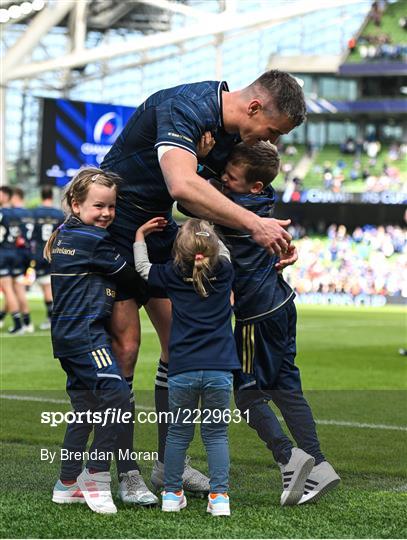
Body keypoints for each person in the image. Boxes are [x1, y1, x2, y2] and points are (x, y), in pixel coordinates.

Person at [101, 70, 306, 492]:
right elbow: (182, 185)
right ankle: (122, 472)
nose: (272, 140)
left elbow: (221, 191)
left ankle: (165, 466)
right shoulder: (185, 106)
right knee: (126, 349)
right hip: (119, 226)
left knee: (181, 347)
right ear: (253, 107)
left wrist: (273, 239)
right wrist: (256, 226)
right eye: (272, 130)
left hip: (159, 229)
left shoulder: (230, 136)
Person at [213, 141, 340, 506]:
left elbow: (187, 201)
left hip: (257, 315)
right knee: (287, 387)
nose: (223, 178)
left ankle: (289, 457)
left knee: (246, 393)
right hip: (283, 303)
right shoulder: (262, 197)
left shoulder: (236, 211)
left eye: (231, 176)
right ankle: (320, 464)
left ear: (254, 186)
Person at [45, 167, 157, 514]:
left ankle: (66, 484)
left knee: (86, 410)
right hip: (86, 336)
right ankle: (95, 477)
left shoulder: (67, 234)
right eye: (99, 206)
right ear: (76, 205)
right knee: (119, 397)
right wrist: (141, 245)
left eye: (111, 207)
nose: (107, 214)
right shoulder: (91, 241)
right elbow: (133, 278)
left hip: (68, 337)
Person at [134, 217, 241, 516]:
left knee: (178, 433)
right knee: (217, 434)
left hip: (181, 370)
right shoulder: (225, 270)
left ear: (177, 251)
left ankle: (171, 495)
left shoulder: (170, 273)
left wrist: (140, 235)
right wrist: (209, 228)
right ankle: (219, 498)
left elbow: (143, 269)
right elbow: (222, 251)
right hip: (220, 369)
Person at [31, 186, 64, 330]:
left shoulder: (35, 213)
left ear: (41, 196)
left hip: (40, 253)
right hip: (56, 252)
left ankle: (51, 317)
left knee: (45, 286)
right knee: (55, 285)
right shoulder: (59, 213)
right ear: (51, 195)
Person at [8, 188, 34, 333]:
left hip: (16, 252)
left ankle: (21, 323)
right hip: (27, 253)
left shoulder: (14, 213)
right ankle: (27, 322)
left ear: (15, 197)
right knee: (18, 287)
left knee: (13, 288)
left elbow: (15, 235)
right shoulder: (29, 213)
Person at [0, 186, 22, 333]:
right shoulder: (16, 213)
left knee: (7, 289)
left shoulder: (2, 213)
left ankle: (18, 323)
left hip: (3, 253)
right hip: (15, 252)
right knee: (13, 289)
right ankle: (2, 316)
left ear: (6, 196)